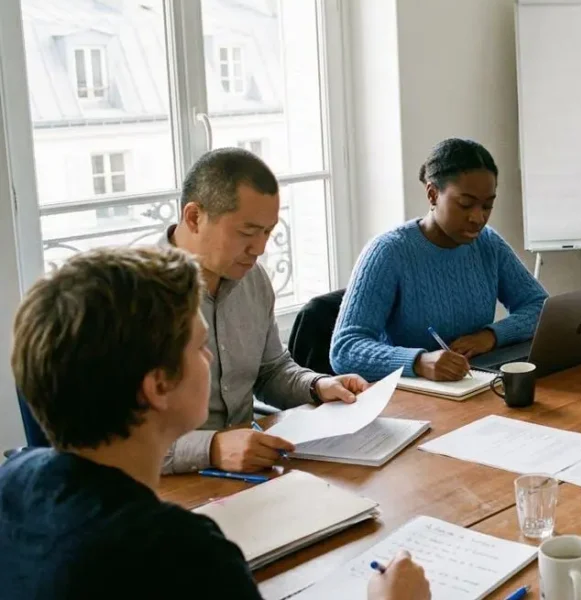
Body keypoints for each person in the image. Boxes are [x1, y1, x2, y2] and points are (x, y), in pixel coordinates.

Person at [0, 246, 429, 600]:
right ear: (158, 385)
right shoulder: (183, 558)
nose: (210, 359)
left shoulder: (11, 481)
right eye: (200, 346)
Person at [162, 148, 369, 474]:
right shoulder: (130, 296)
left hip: (250, 470)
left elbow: (270, 370)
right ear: (193, 217)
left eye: (267, 232)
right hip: (168, 484)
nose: (259, 249)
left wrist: (316, 386)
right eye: (246, 233)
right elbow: (105, 438)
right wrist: (211, 449)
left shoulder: (251, 278)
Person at [331, 138, 548, 381]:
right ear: (432, 194)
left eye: (487, 205)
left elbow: (540, 306)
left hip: (472, 384)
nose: (478, 218)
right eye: (466, 204)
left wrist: (492, 336)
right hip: (410, 398)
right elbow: (345, 349)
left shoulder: (487, 243)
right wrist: (419, 362)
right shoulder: (388, 252)